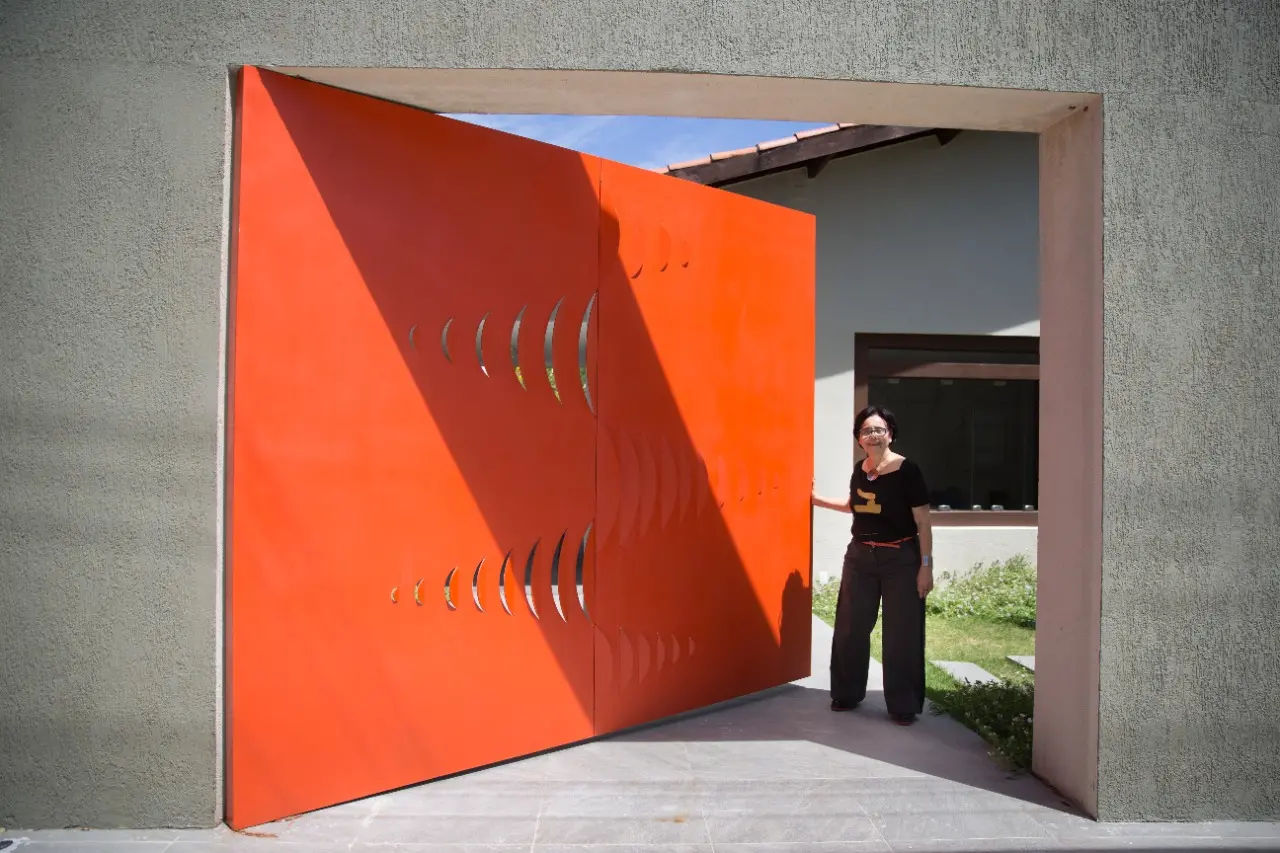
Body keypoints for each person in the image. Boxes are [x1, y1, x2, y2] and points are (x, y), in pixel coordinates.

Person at [811, 405, 934, 725]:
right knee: (850, 627)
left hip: (901, 559)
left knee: (902, 632)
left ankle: (903, 704)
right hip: (860, 557)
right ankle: (846, 693)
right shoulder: (860, 469)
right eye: (867, 430)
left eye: (879, 429)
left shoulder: (908, 470)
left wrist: (926, 566)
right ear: (859, 439)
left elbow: (923, 522)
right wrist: (817, 499)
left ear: (890, 434)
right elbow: (857, 506)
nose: (873, 435)